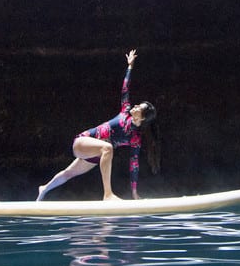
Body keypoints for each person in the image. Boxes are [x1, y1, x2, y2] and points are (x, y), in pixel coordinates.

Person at [37, 49, 160, 201]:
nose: (134, 107)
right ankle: (108, 195)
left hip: (95, 155)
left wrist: (134, 193)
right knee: (107, 148)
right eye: (136, 106)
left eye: (138, 109)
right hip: (82, 141)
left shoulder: (135, 138)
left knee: (68, 173)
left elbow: (134, 165)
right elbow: (125, 88)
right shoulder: (125, 111)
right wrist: (130, 67)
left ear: (142, 119)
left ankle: (44, 189)